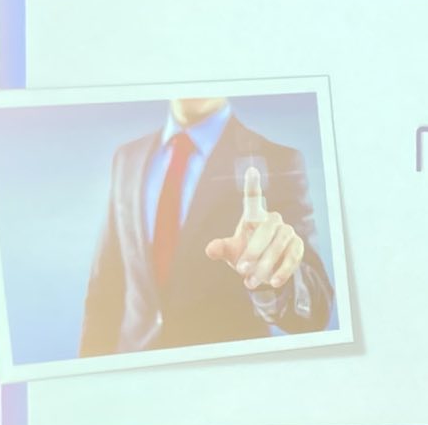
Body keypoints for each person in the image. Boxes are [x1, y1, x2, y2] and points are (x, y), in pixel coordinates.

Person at [78, 96, 334, 357]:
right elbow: (105, 286)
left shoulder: (276, 160)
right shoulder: (127, 158)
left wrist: (275, 277)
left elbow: (316, 312)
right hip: (134, 363)